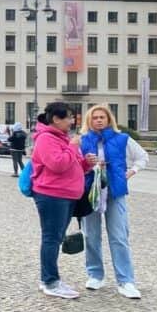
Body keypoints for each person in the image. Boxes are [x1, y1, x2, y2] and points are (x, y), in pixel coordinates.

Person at [78, 105, 148, 299]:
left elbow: (142, 157)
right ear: (89, 121)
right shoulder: (82, 141)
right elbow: (74, 165)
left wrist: (130, 172)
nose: (99, 120)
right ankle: (95, 274)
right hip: (90, 192)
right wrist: (87, 164)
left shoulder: (122, 139)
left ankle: (126, 281)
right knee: (91, 235)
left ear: (109, 119)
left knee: (119, 236)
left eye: (102, 117)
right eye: (95, 118)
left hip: (115, 192)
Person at [30, 102, 96, 300]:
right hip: (52, 195)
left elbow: (71, 165)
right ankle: (49, 281)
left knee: (56, 238)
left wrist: (86, 163)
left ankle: (51, 279)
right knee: (51, 238)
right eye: (68, 117)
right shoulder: (46, 139)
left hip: (66, 195)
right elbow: (57, 165)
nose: (72, 121)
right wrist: (72, 147)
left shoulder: (63, 138)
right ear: (56, 119)